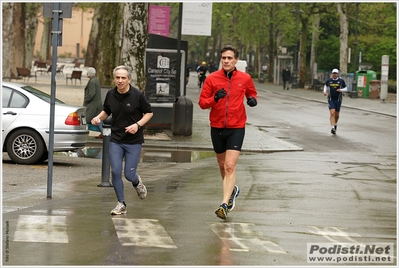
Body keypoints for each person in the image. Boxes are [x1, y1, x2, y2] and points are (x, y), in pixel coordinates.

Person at [198, 45, 258, 220]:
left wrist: (252, 99)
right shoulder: (212, 79)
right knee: (222, 165)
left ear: (236, 60)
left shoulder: (245, 78)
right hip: (217, 127)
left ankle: (224, 204)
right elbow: (202, 103)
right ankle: (232, 190)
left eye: (229, 58)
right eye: (223, 58)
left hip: (236, 127)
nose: (226, 61)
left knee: (230, 166)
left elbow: (251, 93)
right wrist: (215, 98)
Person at [91, 65, 154, 215]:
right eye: (117, 77)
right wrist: (98, 118)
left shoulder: (137, 95)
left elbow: (149, 113)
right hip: (116, 139)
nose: (120, 81)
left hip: (133, 141)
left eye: (123, 78)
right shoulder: (110, 95)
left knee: (129, 174)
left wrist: (137, 125)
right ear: (114, 79)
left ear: (129, 79)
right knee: (116, 171)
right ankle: (121, 203)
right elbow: (107, 111)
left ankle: (137, 183)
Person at [323, 68, 348, 135]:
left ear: (337, 74)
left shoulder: (341, 81)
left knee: (337, 114)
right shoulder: (329, 81)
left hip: (338, 99)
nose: (334, 75)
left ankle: (335, 124)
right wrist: (325, 92)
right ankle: (332, 127)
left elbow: (346, 88)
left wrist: (341, 90)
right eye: (333, 73)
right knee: (332, 112)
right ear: (332, 74)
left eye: (335, 73)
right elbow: (325, 86)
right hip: (331, 99)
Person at [83, 67, 103, 139]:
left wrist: (86, 99)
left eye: (87, 72)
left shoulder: (92, 81)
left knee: (89, 119)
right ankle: (103, 133)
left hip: (92, 104)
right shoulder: (96, 80)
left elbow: (91, 93)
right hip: (96, 103)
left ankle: (104, 133)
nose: (86, 74)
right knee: (98, 119)